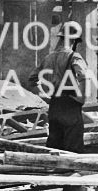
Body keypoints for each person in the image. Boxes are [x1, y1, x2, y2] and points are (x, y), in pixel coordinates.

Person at [30, 20, 89, 153]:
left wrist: (44, 97)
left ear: (61, 38)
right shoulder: (75, 57)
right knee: (73, 148)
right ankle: (70, 172)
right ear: (75, 41)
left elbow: (32, 79)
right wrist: (81, 98)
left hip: (55, 105)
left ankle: (55, 172)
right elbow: (84, 77)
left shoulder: (49, 57)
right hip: (70, 104)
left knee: (55, 147)